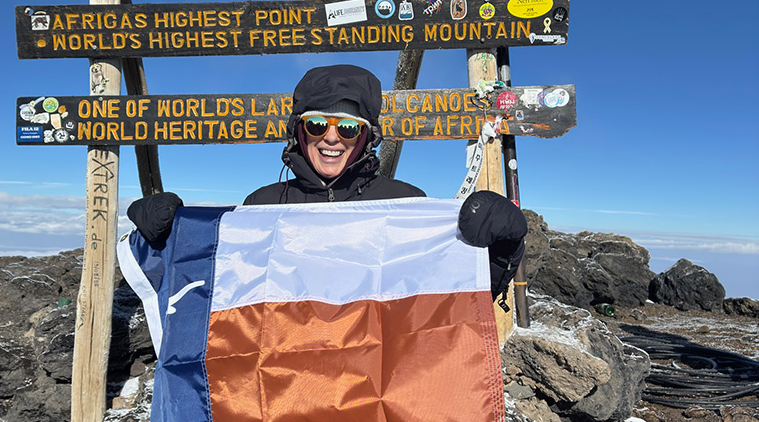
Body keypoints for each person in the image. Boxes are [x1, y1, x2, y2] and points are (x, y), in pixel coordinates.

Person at [128, 64, 527, 299]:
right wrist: (165, 241)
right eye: (317, 123)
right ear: (298, 132)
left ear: (367, 136)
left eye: (348, 128)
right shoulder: (262, 207)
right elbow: (215, 295)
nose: (331, 138)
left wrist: (500, 249)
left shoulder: (406, 206)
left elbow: (448, 300)